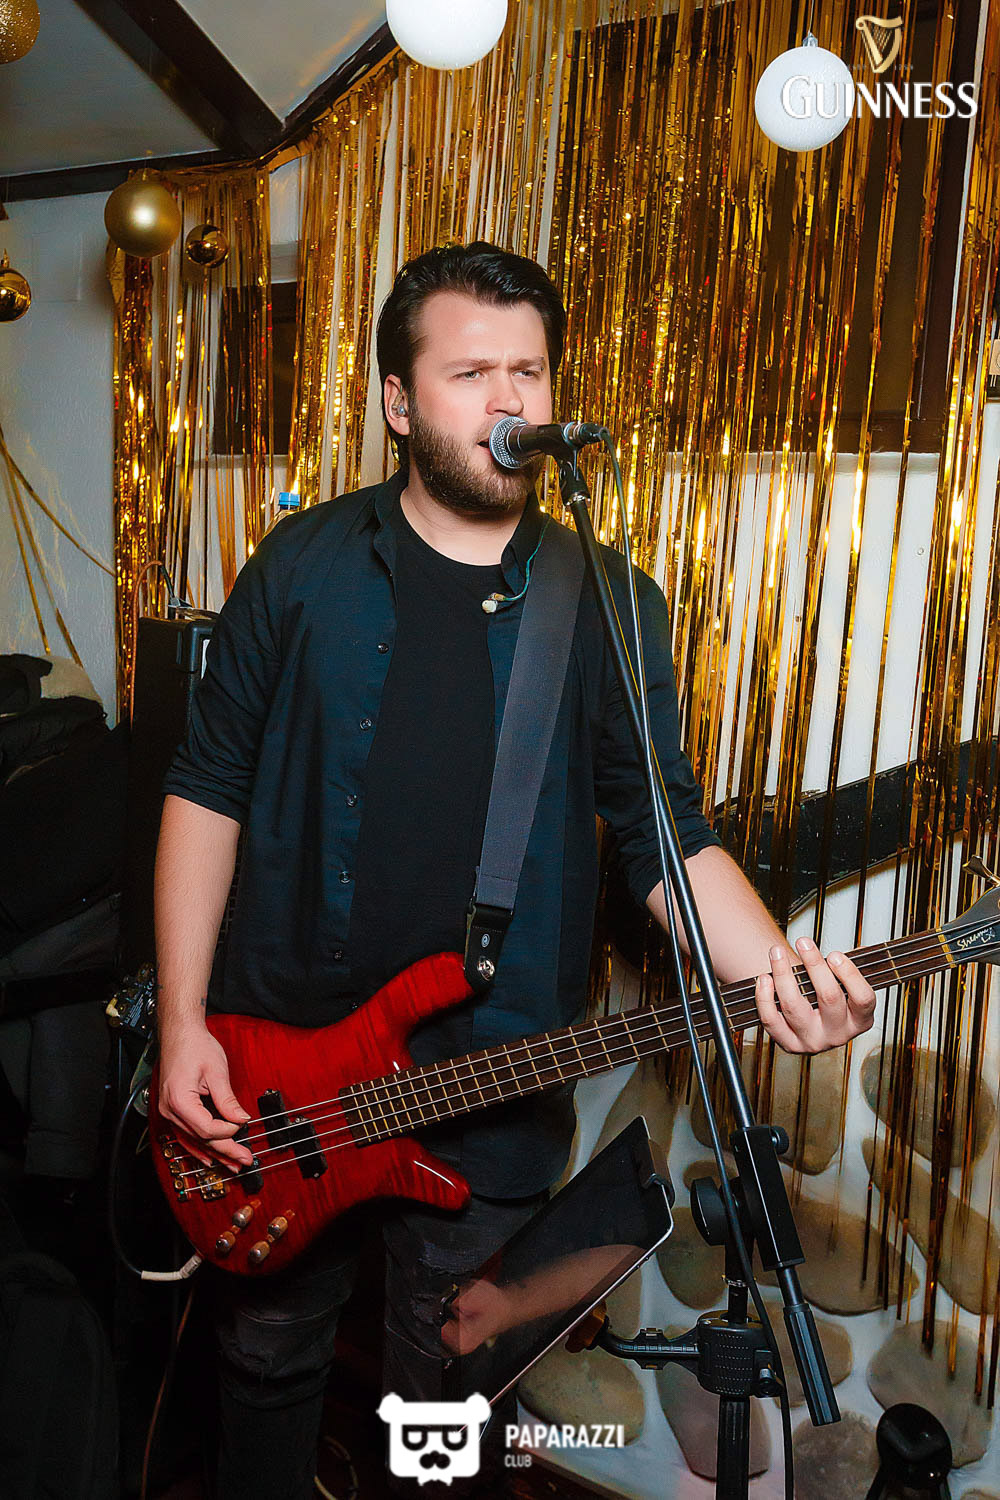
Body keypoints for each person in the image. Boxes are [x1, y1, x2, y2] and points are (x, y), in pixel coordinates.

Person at [153, 242, 876, 1500]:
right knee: (265, 1364)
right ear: (398, 402)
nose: (508, 399)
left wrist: (779, 971)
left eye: (529, 372)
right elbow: (205, 787)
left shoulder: (608, 601)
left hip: (490, 1089)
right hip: (282, 1067)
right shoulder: (302, 568)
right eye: (470, 371)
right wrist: (180, 1026)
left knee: (442, 1401)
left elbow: (664, 833)